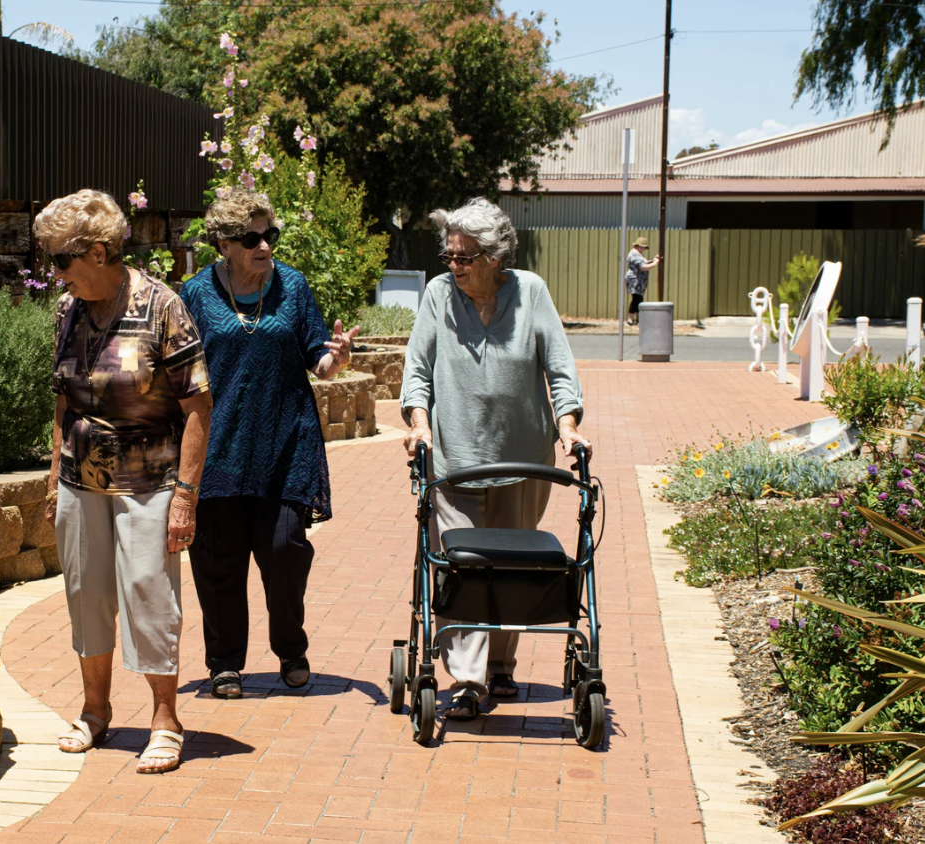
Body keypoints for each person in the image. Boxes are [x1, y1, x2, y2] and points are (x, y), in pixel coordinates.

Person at [38, 189, 213, 774]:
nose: (53, 273)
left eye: (60, 260)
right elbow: (63, 399)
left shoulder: (162, 306)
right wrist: (51, 475)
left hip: (150, 480)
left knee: (148, 592)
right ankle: (95, 710)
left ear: (97, 251)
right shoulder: (69, 311)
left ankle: (166, 719)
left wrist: (185, 496)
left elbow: (197, 406)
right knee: (86, 593)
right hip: (79, 478)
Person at [400, 197, 591, 720]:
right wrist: (419, 425)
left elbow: (558, 363)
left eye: (465, 257)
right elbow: (417, 369)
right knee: (462, 567)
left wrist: (569, 427)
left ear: (494, 256)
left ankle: (501, 665)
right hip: (455, 456)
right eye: (451, 255)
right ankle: (466, 679)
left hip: (523, 458)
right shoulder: (439, 295)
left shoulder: (531, 292)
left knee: (511, 564)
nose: (454, 266)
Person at [179, 191, 357, 700]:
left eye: (269, 235)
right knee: (218, 560)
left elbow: (317, 359)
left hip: (284, 444)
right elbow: (178, 373)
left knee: (285, 551)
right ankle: (225, 662)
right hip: (218, 450)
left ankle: (291, 648)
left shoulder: (293, 287)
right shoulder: (194, 294)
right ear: (225, 244)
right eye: (251, 238)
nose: (264, 246)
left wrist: (336, 360)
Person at [625, 237, 663, 325]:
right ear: (639, 246)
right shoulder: (634, 254)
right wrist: (655, 263)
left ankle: (638, 319)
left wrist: (653, 260)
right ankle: (630, 319)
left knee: (639, 299)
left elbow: (644, 263)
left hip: (639, 280)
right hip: (635, 280)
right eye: (644, 247)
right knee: (636, 299)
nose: (644, 249)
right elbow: (643, 267)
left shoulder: (637, 254)